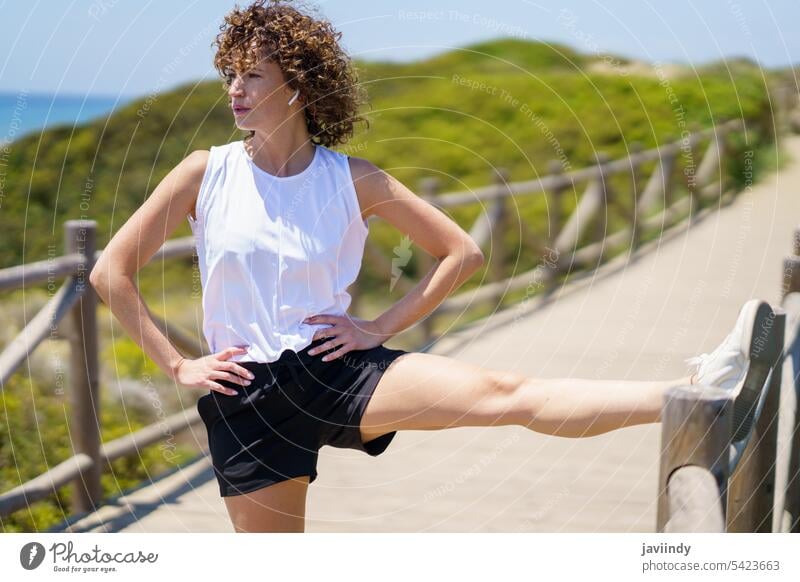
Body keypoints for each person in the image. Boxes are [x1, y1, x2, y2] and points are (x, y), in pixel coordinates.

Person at [89, 0, 777, 533]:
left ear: (297, 88)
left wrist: (376, 327)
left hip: (335, 368)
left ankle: (701, 389)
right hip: (247, 397)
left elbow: (462, 253)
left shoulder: (352, 179)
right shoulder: (202, 173)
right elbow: (109, 273)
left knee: (508, 392)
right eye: (230, 74)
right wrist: (180, 367)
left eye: (252, 75)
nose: (234, 89)